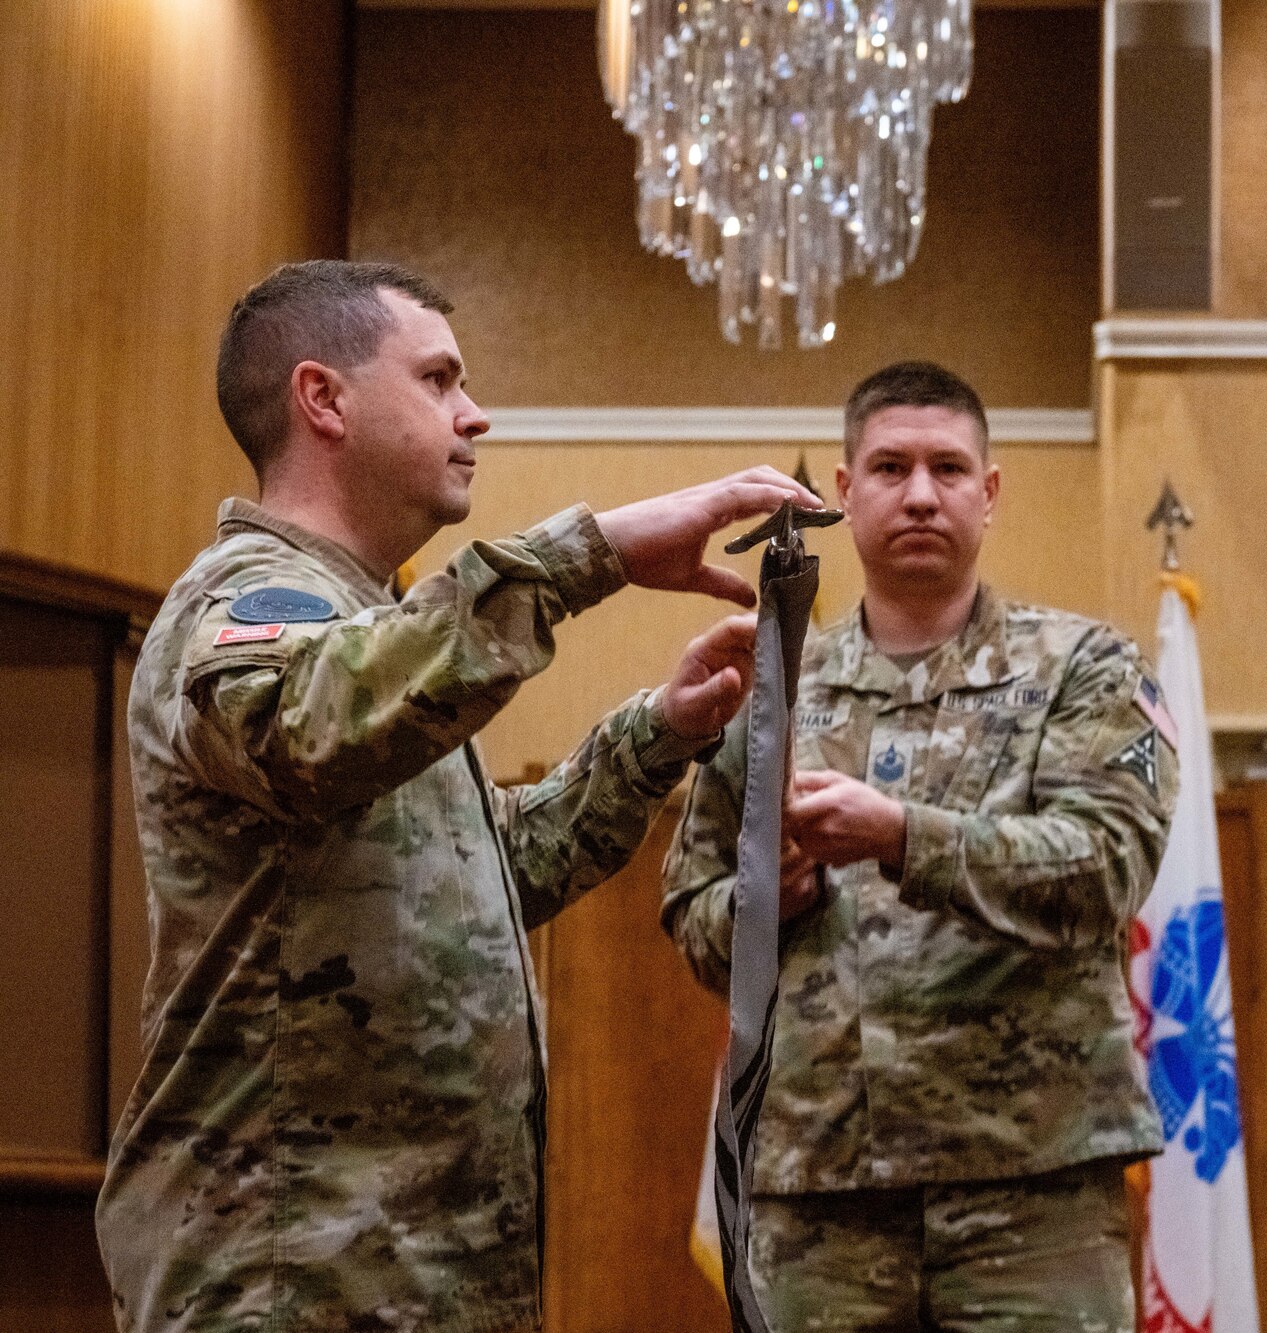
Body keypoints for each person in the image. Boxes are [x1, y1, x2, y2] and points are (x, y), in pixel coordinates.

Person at [96, 259, 821, 1333]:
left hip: (414, 1270)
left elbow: (490, 874)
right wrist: (596, 551)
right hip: (289, 1272)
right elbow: (308, 727)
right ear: (323, 399)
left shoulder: (373, 625)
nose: (473, 413)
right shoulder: (249, 600)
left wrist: (658, 731)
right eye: (438, 379)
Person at [663, 361, 1177, 1331]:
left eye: (947, 469)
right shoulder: (768, 689)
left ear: (988, 493)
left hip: (1032, 1182)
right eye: (890, 467)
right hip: (817, 1182)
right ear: (843, 493)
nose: (919, 493)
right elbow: (693, 922)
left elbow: (1106, 866)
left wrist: (902, 836)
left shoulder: (1087, 666)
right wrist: (767, 896)